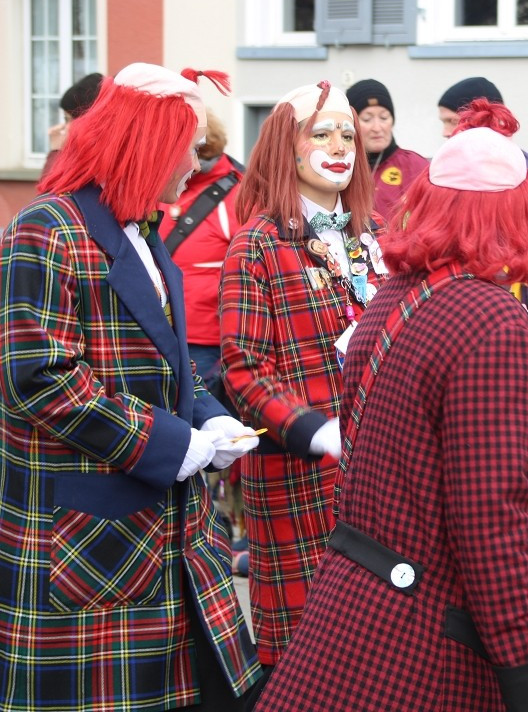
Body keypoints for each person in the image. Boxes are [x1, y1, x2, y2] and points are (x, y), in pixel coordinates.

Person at [255, 104, 528, 712]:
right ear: (518, 213)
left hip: (354, 604)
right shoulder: (490, 318)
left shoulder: (397, 294)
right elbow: (489, 522)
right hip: (427, 633)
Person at [0, 62, 262, 711]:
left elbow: (165, 363)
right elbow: (39, 380)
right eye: (187, 150)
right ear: (144, 147)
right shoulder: (46, 230)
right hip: (90, 538)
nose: (192, 166)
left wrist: (207, 415)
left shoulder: (138, 232)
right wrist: (172, 445)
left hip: (165, 535)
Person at [219, 80, 382, 672]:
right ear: (287, 148)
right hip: (296, 478)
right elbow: (243, 369)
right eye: (322, 133)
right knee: (303, 653)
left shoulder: (376, 238)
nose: (340, 145)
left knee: (378, 648)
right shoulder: (257, 244)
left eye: (348, 133)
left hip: (380, 479)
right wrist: (316, 430)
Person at [438, 77, 528, 602]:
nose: (448, 133)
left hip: (522, 322)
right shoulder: (514, 163)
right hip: (527, 325)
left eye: (452, 122)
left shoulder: (506, 170)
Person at [158, 109, 248, 544]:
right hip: (170, 336)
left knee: (222, 442)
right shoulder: (163, 192)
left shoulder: (236, 193)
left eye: (203, 155)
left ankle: (231, 526)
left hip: (212, 339)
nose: (198, 164)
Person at [345, 78, 428, 221]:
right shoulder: (342, 166)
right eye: (366, 119)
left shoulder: (415, 166)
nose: (377, 128)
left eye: (384, 117)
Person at [42, 72, 103, 176]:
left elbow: (51, 190)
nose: (66, 127)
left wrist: (56, 151)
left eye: (68, 119)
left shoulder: (90, 162)